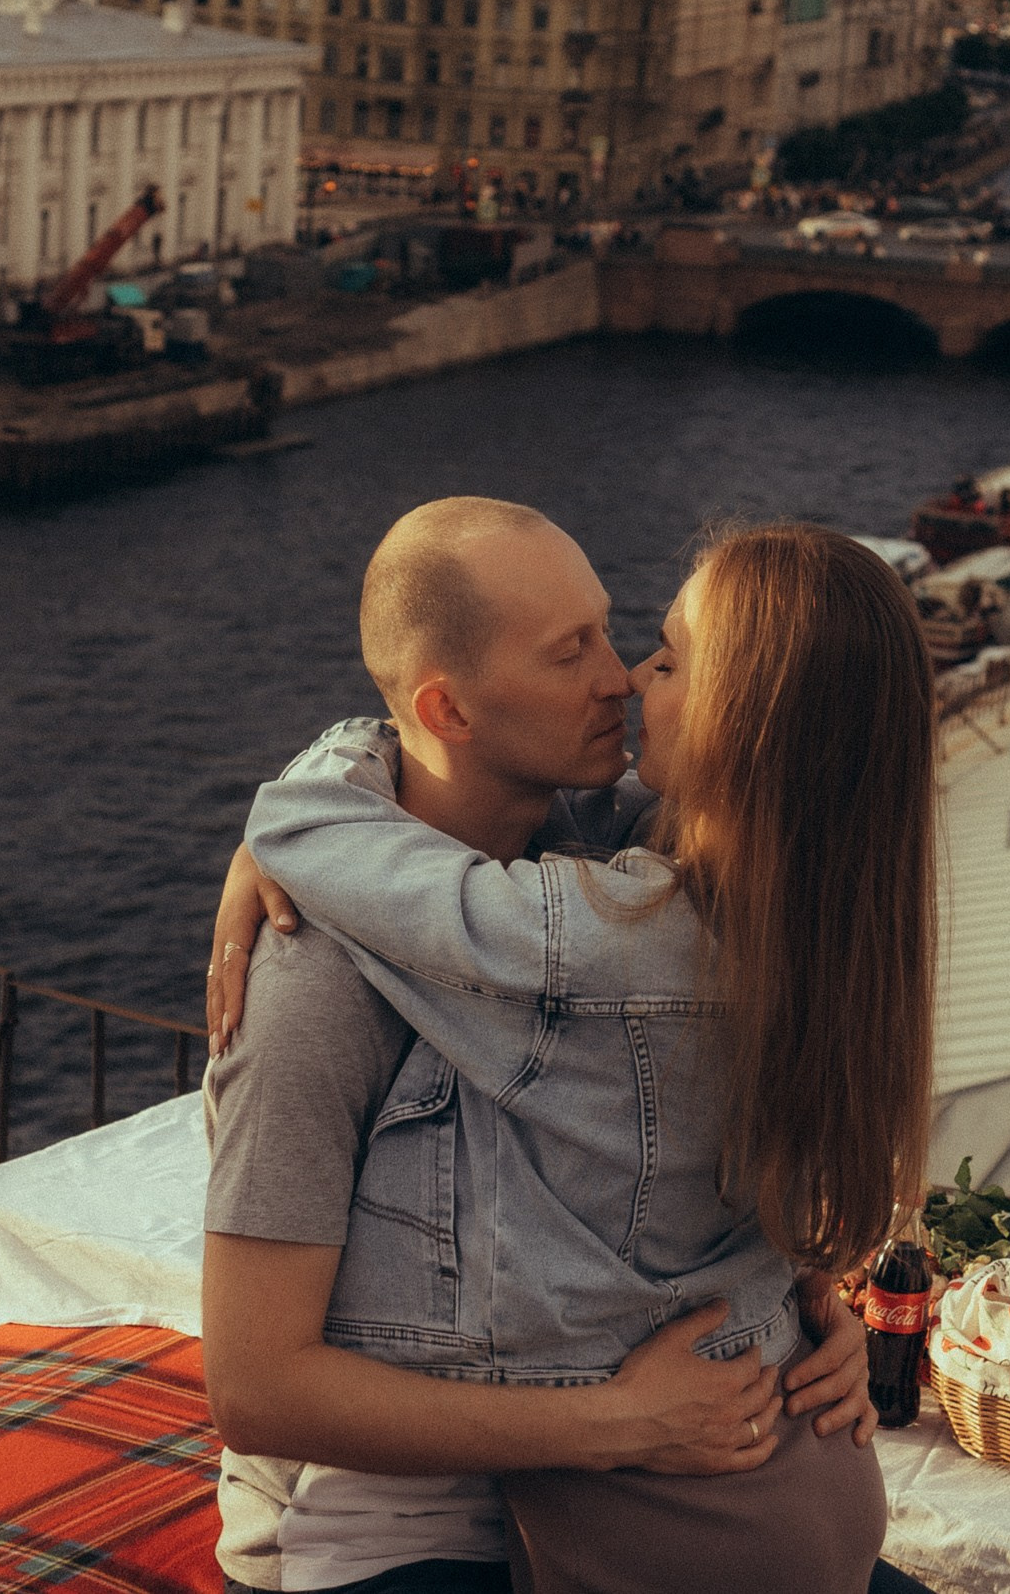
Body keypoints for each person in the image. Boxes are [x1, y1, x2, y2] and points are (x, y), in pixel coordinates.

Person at [206, 501, 939, 1592]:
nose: (622, 678)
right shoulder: (317, 974)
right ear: (448, 708)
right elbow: (257, 1391)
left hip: (638, 1497)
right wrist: (619, 1424)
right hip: (401, 1522)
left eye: (628, 638)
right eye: (573, 651)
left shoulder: (611, 873)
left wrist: (794, 1308)